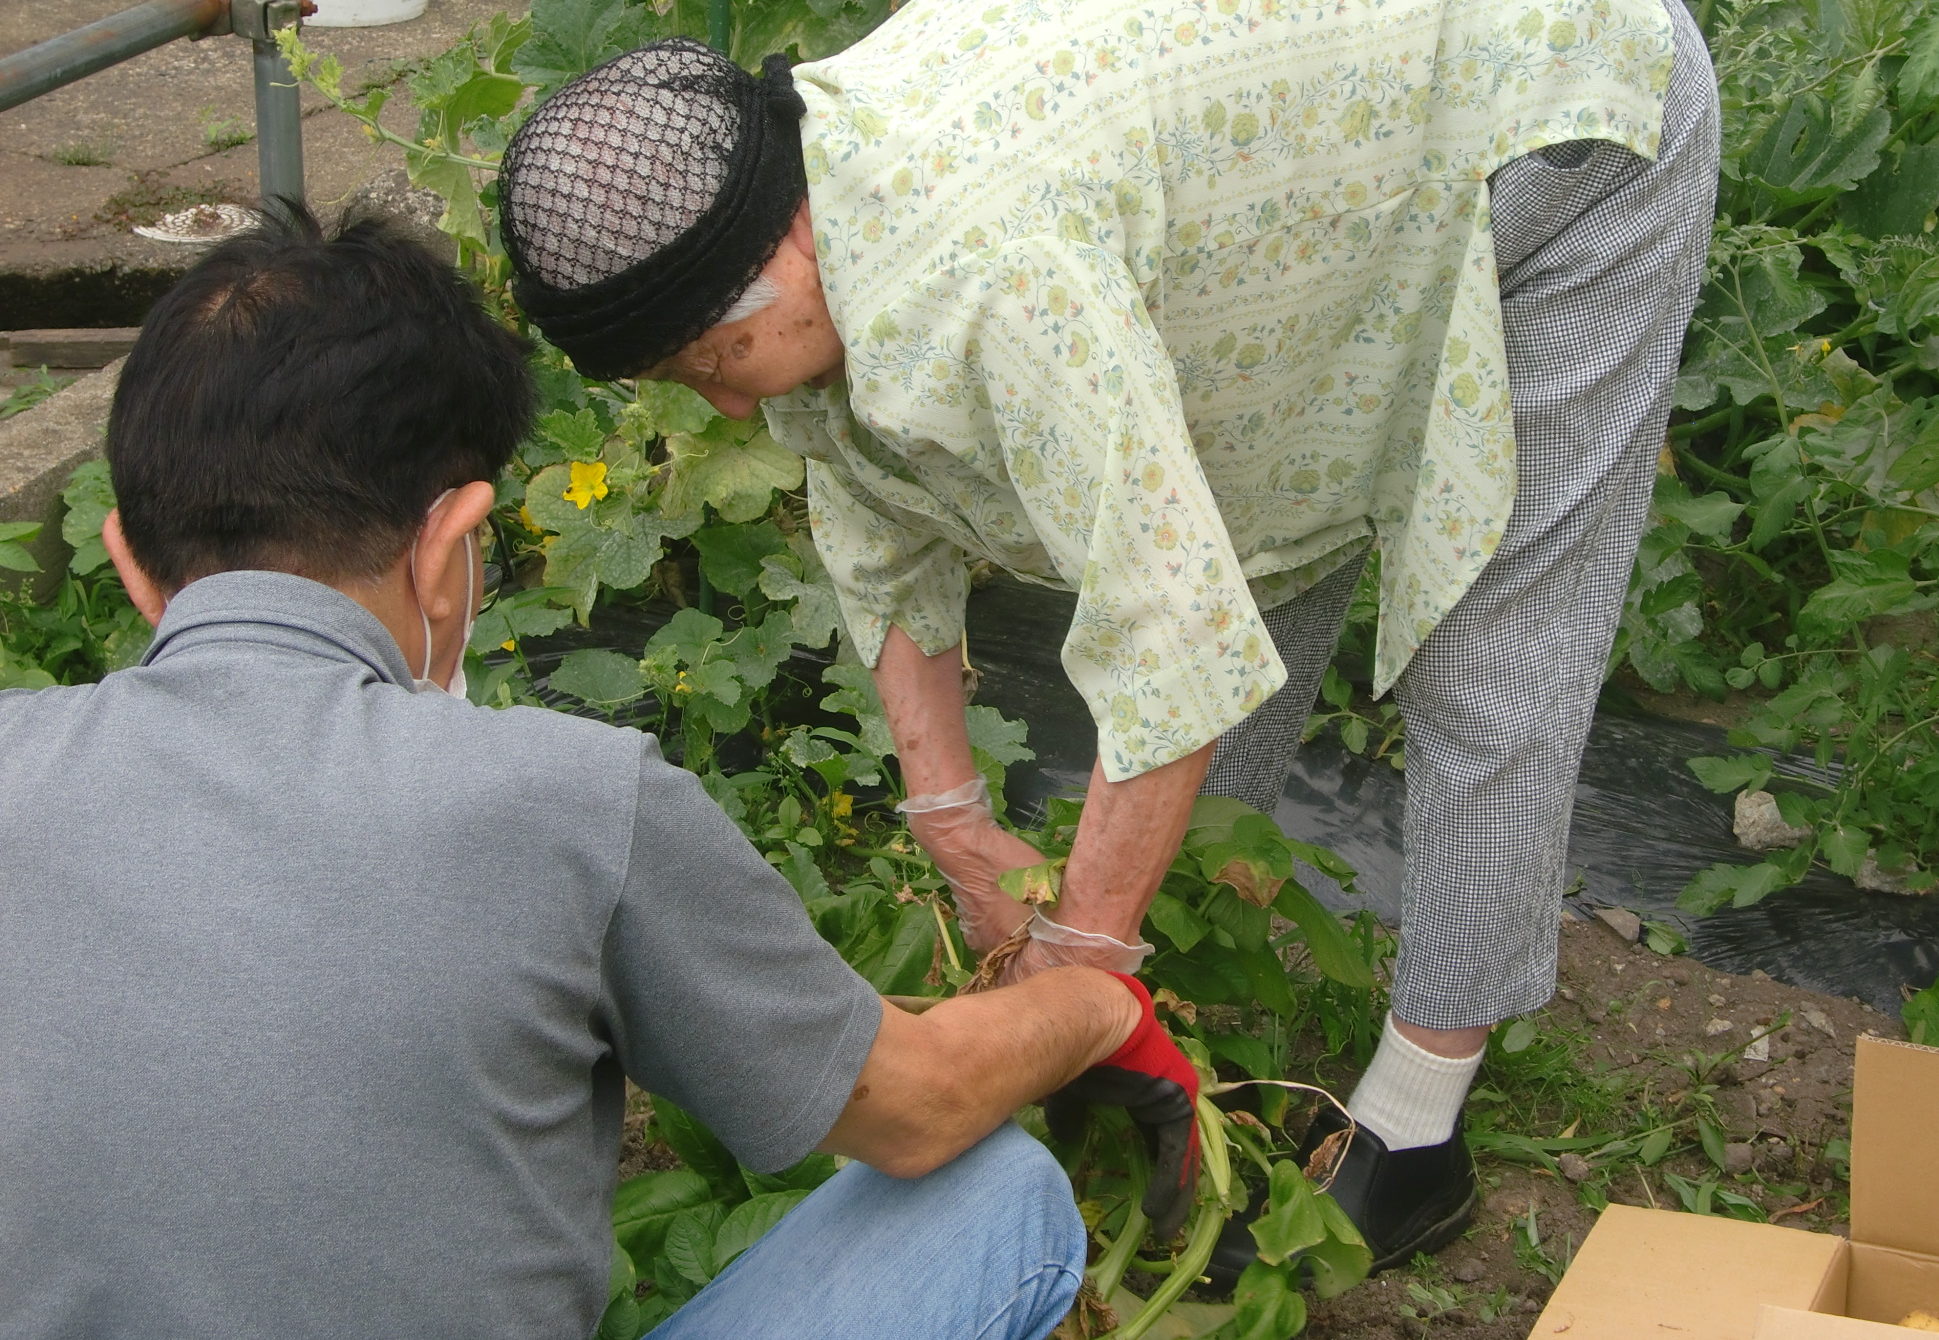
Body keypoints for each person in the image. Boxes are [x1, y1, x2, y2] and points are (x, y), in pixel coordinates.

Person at [495, 0, 1719, 1272]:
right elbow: (869, 504)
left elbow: (1164, 631)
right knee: (1238, 529)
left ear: (784, 248)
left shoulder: (993, 268)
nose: (723, 410)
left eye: (716, 362)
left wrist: (1080, 967)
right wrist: (951, 821)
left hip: (1558, 92)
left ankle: (1417, 1127)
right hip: (1324, 164)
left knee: (1494, 632)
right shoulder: (813, 209)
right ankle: (1195, 985)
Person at [0, 208, 1203, 1340]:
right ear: (452, 543)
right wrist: (1098, 1001)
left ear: (128, 561)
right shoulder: (565, 800)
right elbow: (919, 1103)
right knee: (995, 1199)